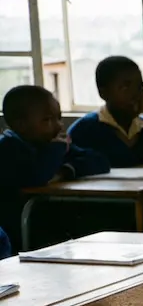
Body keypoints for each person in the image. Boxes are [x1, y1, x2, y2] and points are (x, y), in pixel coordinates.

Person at [1, 84, 109, 246]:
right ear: (21, 125)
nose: (59, 125)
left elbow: (99, 161)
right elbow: (37, 177)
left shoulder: (48, 143)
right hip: (19, 230)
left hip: (49, 220)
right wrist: (56, 150)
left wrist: (65, 171)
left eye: (59, 117)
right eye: (47, 120)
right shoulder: (8, 149)